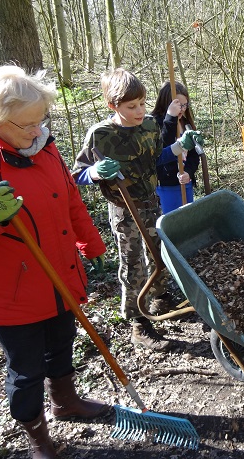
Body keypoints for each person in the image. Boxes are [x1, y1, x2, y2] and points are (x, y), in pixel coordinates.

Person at [0, 65, 110, 458]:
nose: (38, 131)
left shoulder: (43, 144)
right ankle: (37, 438)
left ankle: (66, 402)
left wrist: (91, 243)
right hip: (11, 290)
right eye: (27, 125)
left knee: (61, 345)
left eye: (41, 121)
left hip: (58, 272)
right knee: (26, 369)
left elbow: (67, 197)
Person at [73, 68, 203, 351]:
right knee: (133, 264)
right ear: (113, 105)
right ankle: (137, 323)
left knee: (158, 253)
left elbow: (157, 158)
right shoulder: (101, 134)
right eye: (132, 107)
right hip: (124, 208)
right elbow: (76, 175)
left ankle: (159, 298)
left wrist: (179, 147)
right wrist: (95, 172)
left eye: (142, 104)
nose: (139, 110)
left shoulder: (149, 126)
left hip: (151, 201)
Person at [150, 81, 200, 212]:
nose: (183, 109)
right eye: (179, 105)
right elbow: (161, 150)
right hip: (166, 186)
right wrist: (170, 119)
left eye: (185, 105)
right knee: (172, 223)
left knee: (187, 219)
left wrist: (189, 172)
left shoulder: (186, 123)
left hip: (185, 183)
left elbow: (194, 155)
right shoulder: (153, 123)